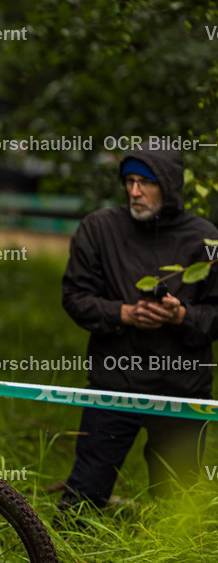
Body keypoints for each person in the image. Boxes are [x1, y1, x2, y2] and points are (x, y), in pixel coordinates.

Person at [59, 148, 218, 518]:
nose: (134, 191)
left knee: (180, 500)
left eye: (145, 182)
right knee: (84, 492)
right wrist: (123, 313)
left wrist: (182, 315)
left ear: (170, 186)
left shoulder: (208, 239)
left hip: (182, 388)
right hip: (114, 381)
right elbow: (74, 296)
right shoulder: (98, 228)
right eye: (129, 182)